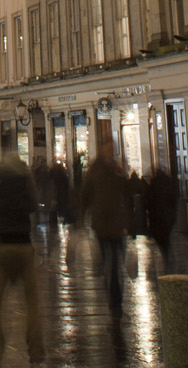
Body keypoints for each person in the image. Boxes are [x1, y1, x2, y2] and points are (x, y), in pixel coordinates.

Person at [0, 130, 44, 367]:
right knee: (32, 300)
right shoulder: (25, 174)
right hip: (24, 243)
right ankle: (36, 352)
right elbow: (35, 203)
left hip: (4, 243)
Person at [79, 128, 131, 318]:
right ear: (103, 150)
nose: (111, 152)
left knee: (118, 265)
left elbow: (126, 194)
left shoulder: (116, 169)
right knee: (108, 264)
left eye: (113, 149)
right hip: (101, 225)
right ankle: (113, 300)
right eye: (108, 148)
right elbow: (85, 195)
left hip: (117, 225)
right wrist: (80, 219)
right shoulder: (95, 170)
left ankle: (116, 302)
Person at [144, 164, 181, 273]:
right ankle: (168, 258)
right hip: (168, 216)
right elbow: (174, 198)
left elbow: (149, 202)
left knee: (162, 239)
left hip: (158, 217)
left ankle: (167, 258)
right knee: (165, 238)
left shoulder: (154, 184)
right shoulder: (169, 183)